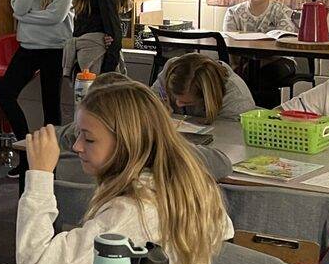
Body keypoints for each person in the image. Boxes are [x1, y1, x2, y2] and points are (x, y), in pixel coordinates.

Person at [18, 81, 233, 264]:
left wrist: (40, 175)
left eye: (89, 139)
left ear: (127, 143)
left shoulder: (131, 211)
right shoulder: (191, 189)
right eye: (79, 135)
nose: (77, 146)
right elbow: (226, 230)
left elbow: (35, 263)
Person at [55, 72, 234, 183]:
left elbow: (52, 134)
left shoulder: (64, 139)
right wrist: (164, 136)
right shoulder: (154, 157)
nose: (77, 146)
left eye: (89, 138)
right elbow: (222, 164)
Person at [0, 0, 74, 140]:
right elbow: (19, 8)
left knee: (51, 106)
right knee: (5, 95)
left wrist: (25, 17)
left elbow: (56, 16)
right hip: (29, 47)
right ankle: (25, 146)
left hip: (55, 49)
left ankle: (51, 157)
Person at [223, 0, 299, 108]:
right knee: (236, 72)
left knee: (262, 75)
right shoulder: (233, 12)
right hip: (243, 62)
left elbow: (284, 43)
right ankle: (240, 113)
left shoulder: (283, 12)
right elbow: (229, 43)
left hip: (279, 60)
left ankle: (265, 114)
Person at [151, 52, 256, 123]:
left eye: (186, 103)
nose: (177, 104)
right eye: (175, 96)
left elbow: (225, 140)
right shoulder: (173, 70)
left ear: (207, 96)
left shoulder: (236, 102)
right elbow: (152, 98)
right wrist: (157, 107)